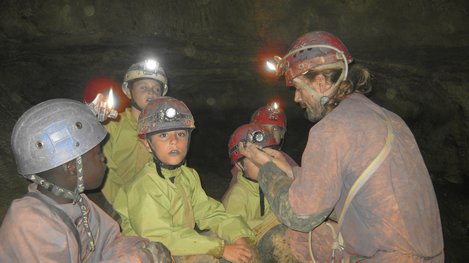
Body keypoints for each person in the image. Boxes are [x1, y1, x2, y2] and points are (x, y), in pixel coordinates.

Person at [239, 31, 444, 262]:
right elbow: (350, 188)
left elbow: (299, 216)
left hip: (385, 257)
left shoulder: (331, 128)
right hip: (430, 255)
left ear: (320, 82)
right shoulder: (390, 118)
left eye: (298, 87)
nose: (296, 98)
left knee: (282, 239)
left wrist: (266, 171)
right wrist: (289, 171)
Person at [0, 98, 172, 262]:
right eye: (97, 154)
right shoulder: (31, 224)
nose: (104, 159)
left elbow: (110, 244)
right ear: (72, 168)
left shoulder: (76, 203)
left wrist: (146, 249)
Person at [113, 96, 255, 263]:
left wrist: (238, 236)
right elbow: (159, 235)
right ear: (147, 144)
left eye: (181, 134)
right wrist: (220, 248)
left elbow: (209, 212)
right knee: (210, 255)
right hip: (149, 254)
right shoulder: (143, 185)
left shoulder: (187, 176)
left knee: (231, 245)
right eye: (164, 135)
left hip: (177, 248)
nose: (174, 141)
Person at [101, 58, 168, 206]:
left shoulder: (168, 131)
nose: (151, 92)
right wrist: (125, 206)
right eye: (143, 87)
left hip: (157, 203)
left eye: (156, 89)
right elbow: (105, 171)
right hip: (118, 204)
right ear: (128, 92)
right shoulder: (112, 126)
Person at [222, 102, 298, 201]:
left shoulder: (285, 159)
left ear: (282, 134)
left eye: (275, 129)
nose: (270, 132)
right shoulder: (247, 158)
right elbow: (232, 199)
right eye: (264, 127)